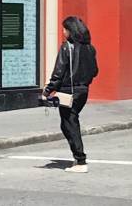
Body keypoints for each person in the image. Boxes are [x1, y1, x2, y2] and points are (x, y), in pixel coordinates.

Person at [42, 16, 98, 173]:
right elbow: (95, 71)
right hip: (83, 91)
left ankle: (80, 161)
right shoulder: (90, 48)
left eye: (64, 29)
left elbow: (58, 72)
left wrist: (48, 90)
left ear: (70, 31)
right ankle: (78, 159)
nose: (63, 31)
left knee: (69, 123)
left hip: (68, 91)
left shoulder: (67, 47)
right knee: (69, 122)